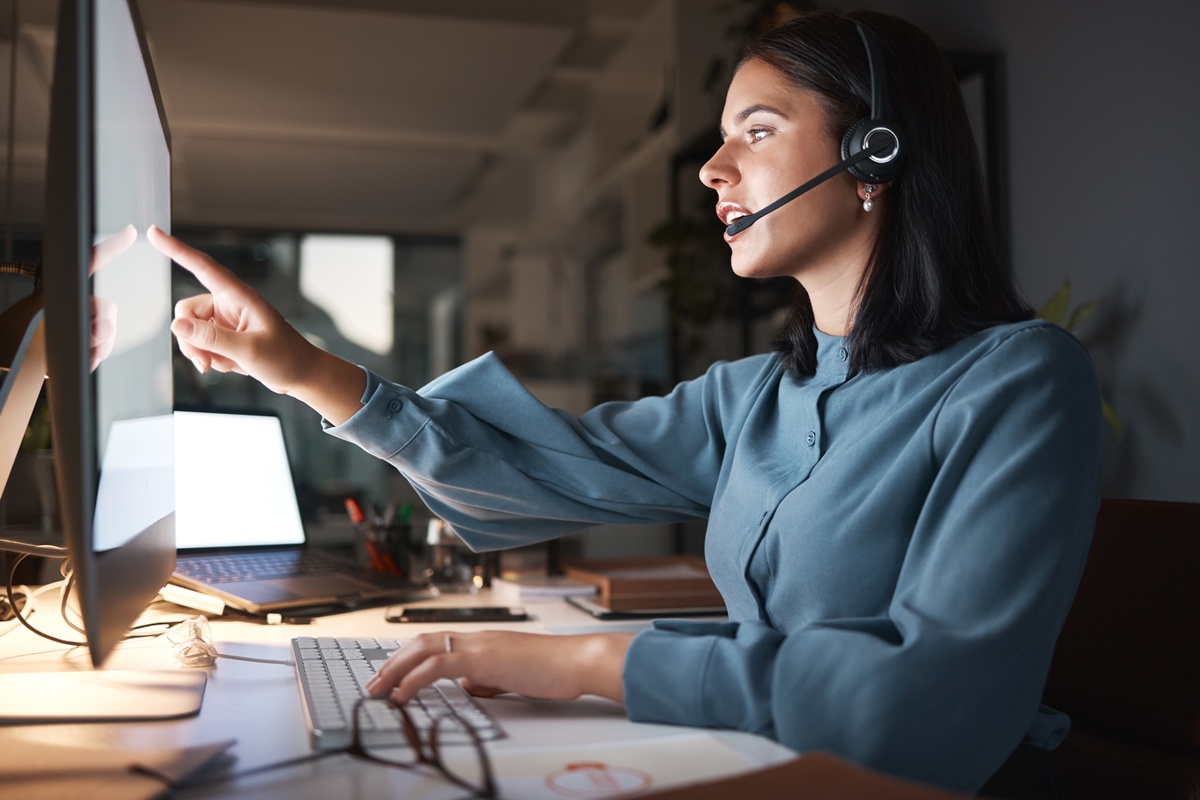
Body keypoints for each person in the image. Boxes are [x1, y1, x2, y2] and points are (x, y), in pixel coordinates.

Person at [152, 9, 1101, 796]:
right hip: (758, 758)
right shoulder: (759, 395)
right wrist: (298, 366)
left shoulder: (1019, 379)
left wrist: (588, 664)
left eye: (757, 132)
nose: (712, 169)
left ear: (872, 156)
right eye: (722, 136)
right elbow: (538, 469)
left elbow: (931, 707)